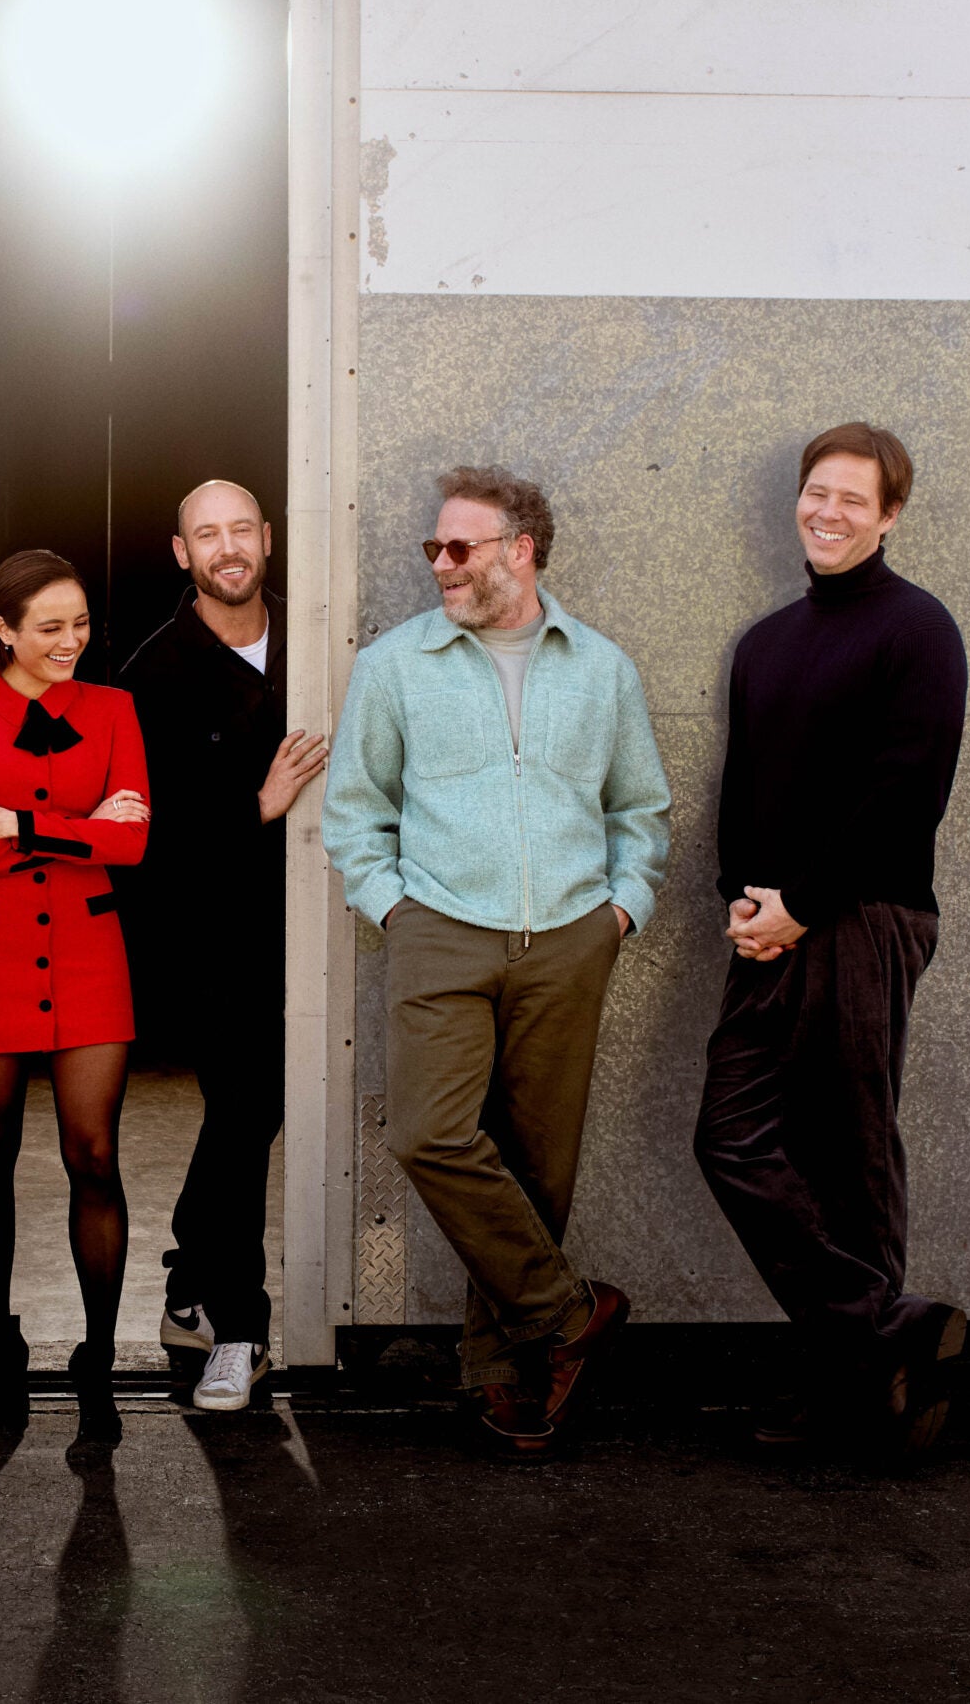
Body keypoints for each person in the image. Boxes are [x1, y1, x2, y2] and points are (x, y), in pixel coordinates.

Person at [322, 465, 672, 1458]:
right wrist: (394, 909)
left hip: (568, 935)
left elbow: (640, 809)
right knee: (428, 1134)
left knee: (536, 1164)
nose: (440, 564)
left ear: (522, 550)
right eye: (431, 548)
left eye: (458, 547)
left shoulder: (600, 668)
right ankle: (569, 1313)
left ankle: (509, 1373)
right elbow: (355, 809)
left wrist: (620, 911)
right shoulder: (396, 665)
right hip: (437, 926)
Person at [693, 422, 970, 1451]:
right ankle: (884, 1335)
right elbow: (742, 793)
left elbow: (906, 796)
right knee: (730, 1137)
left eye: (855, 499)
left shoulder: (918, 629)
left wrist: (801, 904)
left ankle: (865, 1400)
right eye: (818, 492)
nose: (830, 512)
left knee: (849, 1152)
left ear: (889, 516)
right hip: (771, 926)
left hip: (864, 915)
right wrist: (740, 902)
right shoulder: (766, 643)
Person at [0, 550, 151, 1444]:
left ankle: (99, 1357)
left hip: (90, 954)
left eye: (80, 624)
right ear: (3, 629)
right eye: (49, 627)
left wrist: (17, 823)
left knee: (96, 1156)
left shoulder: (115, 709)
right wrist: (83, 829)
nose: (70, 641)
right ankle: (0, 1344)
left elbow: (133, 846)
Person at [116, 480, 326, 1412]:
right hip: (212, 936)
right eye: (208, 534)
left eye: (242, 529)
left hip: (318, 921)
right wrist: (255, 806)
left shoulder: (318, 642)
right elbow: (143, 836)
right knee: (244, 1112)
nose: (228, 547)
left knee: (253, 1114)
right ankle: (239, 1332)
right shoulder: (151, 675)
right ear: (182, 553)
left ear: (268, 538)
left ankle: (189, 1281)